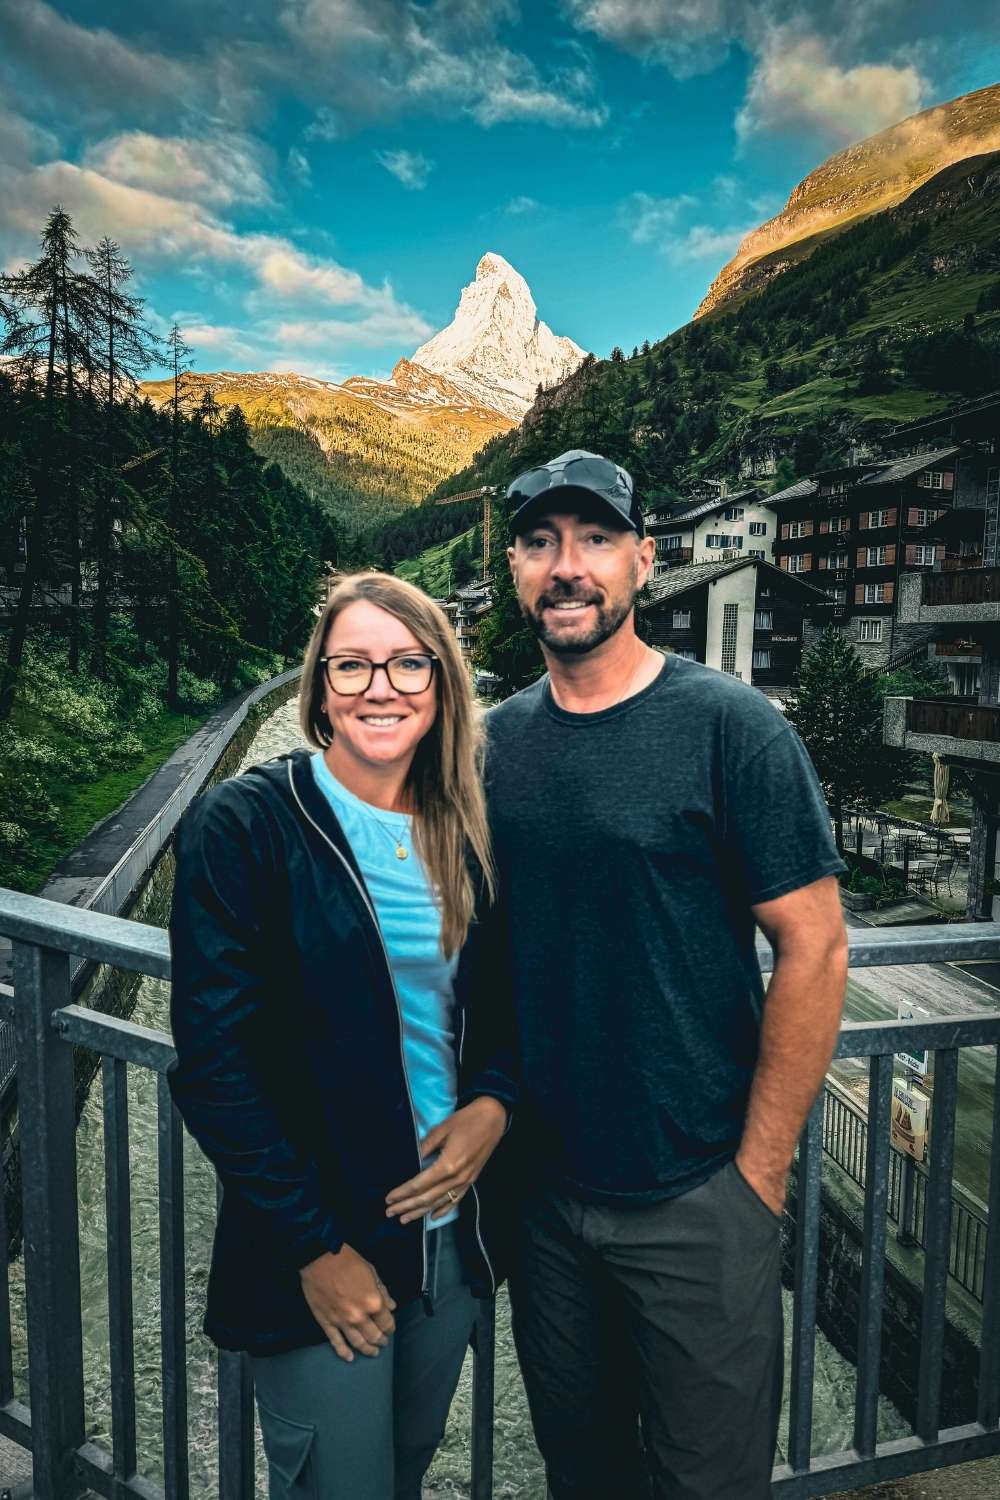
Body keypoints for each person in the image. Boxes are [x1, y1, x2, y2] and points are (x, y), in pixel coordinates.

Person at [484, 449, 849, 1499]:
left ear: (643, 561)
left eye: (595, 539)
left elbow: (816, 944)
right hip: (546, 1202)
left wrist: (757, 1178)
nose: (568, 567)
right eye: (541, 541)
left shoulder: (730, 727)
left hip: (697, 1197)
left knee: (705, 1481)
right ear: (514, 567)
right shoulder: (495, 745)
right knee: (582, 1471)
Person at [168, 572, 515, 1500]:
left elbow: (501, 1011)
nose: (380, 687)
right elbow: (214, 1068)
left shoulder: (466, 828)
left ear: (442, 685)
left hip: (450, 1236)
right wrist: (316, 1251)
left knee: (398, 1476)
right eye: (351, 665)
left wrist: (494, 1103)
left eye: (408, 663)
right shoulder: (246, 825)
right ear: (317, 688)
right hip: (323, 1250)